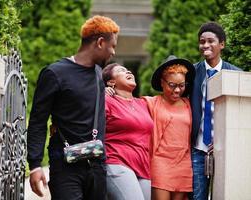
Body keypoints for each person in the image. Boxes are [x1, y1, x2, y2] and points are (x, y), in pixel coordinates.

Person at [27, 15, 119, 200]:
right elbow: (38, 121)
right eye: (113, 46)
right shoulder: (54, 73)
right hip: (65, 166)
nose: (113, 53)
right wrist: (35, 165)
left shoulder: (99, 75)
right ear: (100, 42)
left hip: (97, 164)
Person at [190, 22, 242, 200]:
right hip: (198, 148)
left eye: (210, 41)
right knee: (197, 197)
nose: (205, 45)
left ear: (222, 44)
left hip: (225, 150)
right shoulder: (192, 73)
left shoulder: (236, 75)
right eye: (202, 41)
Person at [144, 55, 196, 200]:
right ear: (162, 82)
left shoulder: (189, 104)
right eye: (172, 85)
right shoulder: (151, 103)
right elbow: (127, 105)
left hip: (183, 163)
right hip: (160, 162)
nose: (178, 90)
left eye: (182, 85)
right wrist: (111, 90)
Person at [102, 63, 154, 200]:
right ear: (111, 82)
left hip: (143, 166)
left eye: (128, 70)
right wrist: (100, 93)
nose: (128, 71)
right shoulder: (106, 100)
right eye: (121, 71)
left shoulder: (143, 104)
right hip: (116, 161)